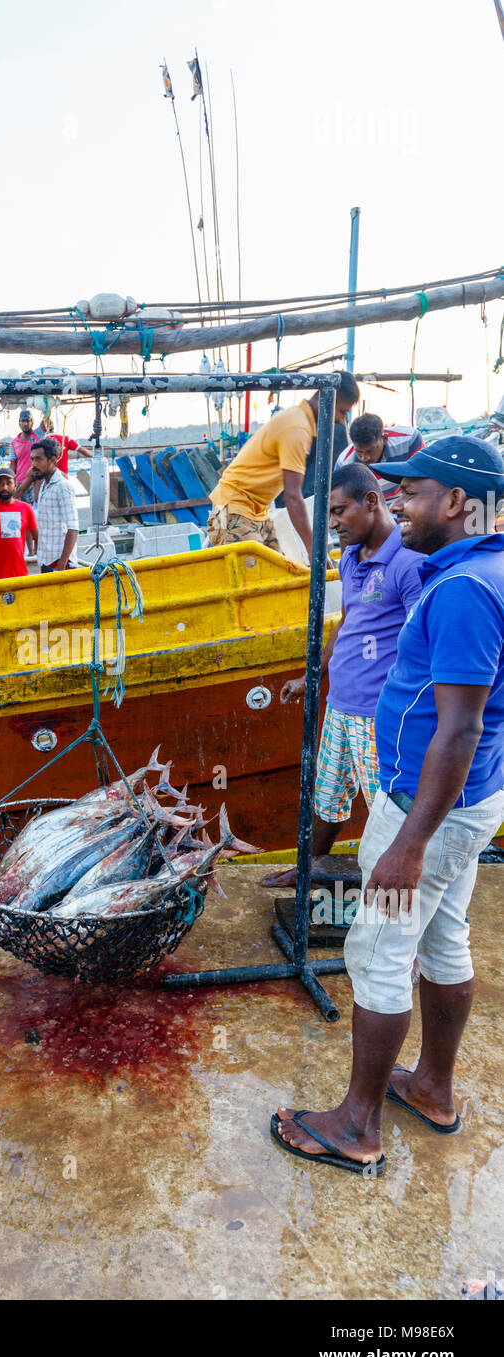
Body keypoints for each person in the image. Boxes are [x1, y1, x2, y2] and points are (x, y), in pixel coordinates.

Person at [273, 434, 504, 1174]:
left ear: (458, 502)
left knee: (378, 952)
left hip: (426, 812)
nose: (398, 502)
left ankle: (355, 1123)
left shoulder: (464, 588)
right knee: (445, 940)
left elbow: (462, 725)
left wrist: (407, 844)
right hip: (468, 805)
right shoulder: (482, 568)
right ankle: (432, 1088)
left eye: (412, 491)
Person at [262, 462, 425, 889]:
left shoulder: (409, 564)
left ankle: (398, 894)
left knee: (390, 809)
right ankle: (308, 869)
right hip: (339, 707)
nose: (333, 524)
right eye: (329, 515)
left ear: (371, 502)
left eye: (338, 512)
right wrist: (311, 675)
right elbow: (349, 621)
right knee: (328, 798)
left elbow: (424, 643)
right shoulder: (351, 557)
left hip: (380, 717)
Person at [207, 371, 360, 560]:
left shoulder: (301, 422)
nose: (341, 420)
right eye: (342, 411)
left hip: (258, 509)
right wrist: (314, 551)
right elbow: (292, 496)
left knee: (279, 571)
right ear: (326, 399)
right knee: (252, 578)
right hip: (236, 506)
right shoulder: (297, 427)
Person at [337, 412, 425, 501]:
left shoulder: (410, 440)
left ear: (384, 439)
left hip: (404, 499)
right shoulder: (344, 463)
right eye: (359, 452)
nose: (365, 458)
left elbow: (420, 479)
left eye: (370, 451)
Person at [29, 438, 79, 572]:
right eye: (32, 459)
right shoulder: (44, 485)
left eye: (38, 459)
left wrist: (62, 564)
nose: (33, 464)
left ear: (52, 460)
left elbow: (73, 528)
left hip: (60, 563)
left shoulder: (63, 486)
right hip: (46, 559)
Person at [9, 409, 45, 503]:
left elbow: (46, 420)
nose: (25, 424)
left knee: (35, 511)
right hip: (20, 483)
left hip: (36, 481)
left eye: (27, 421)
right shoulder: (13, 443)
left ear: (32, 422)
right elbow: (13, 464)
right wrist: (11, 482)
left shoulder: (38, 434)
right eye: (22, 421)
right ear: (19, 423)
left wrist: (46, 407)